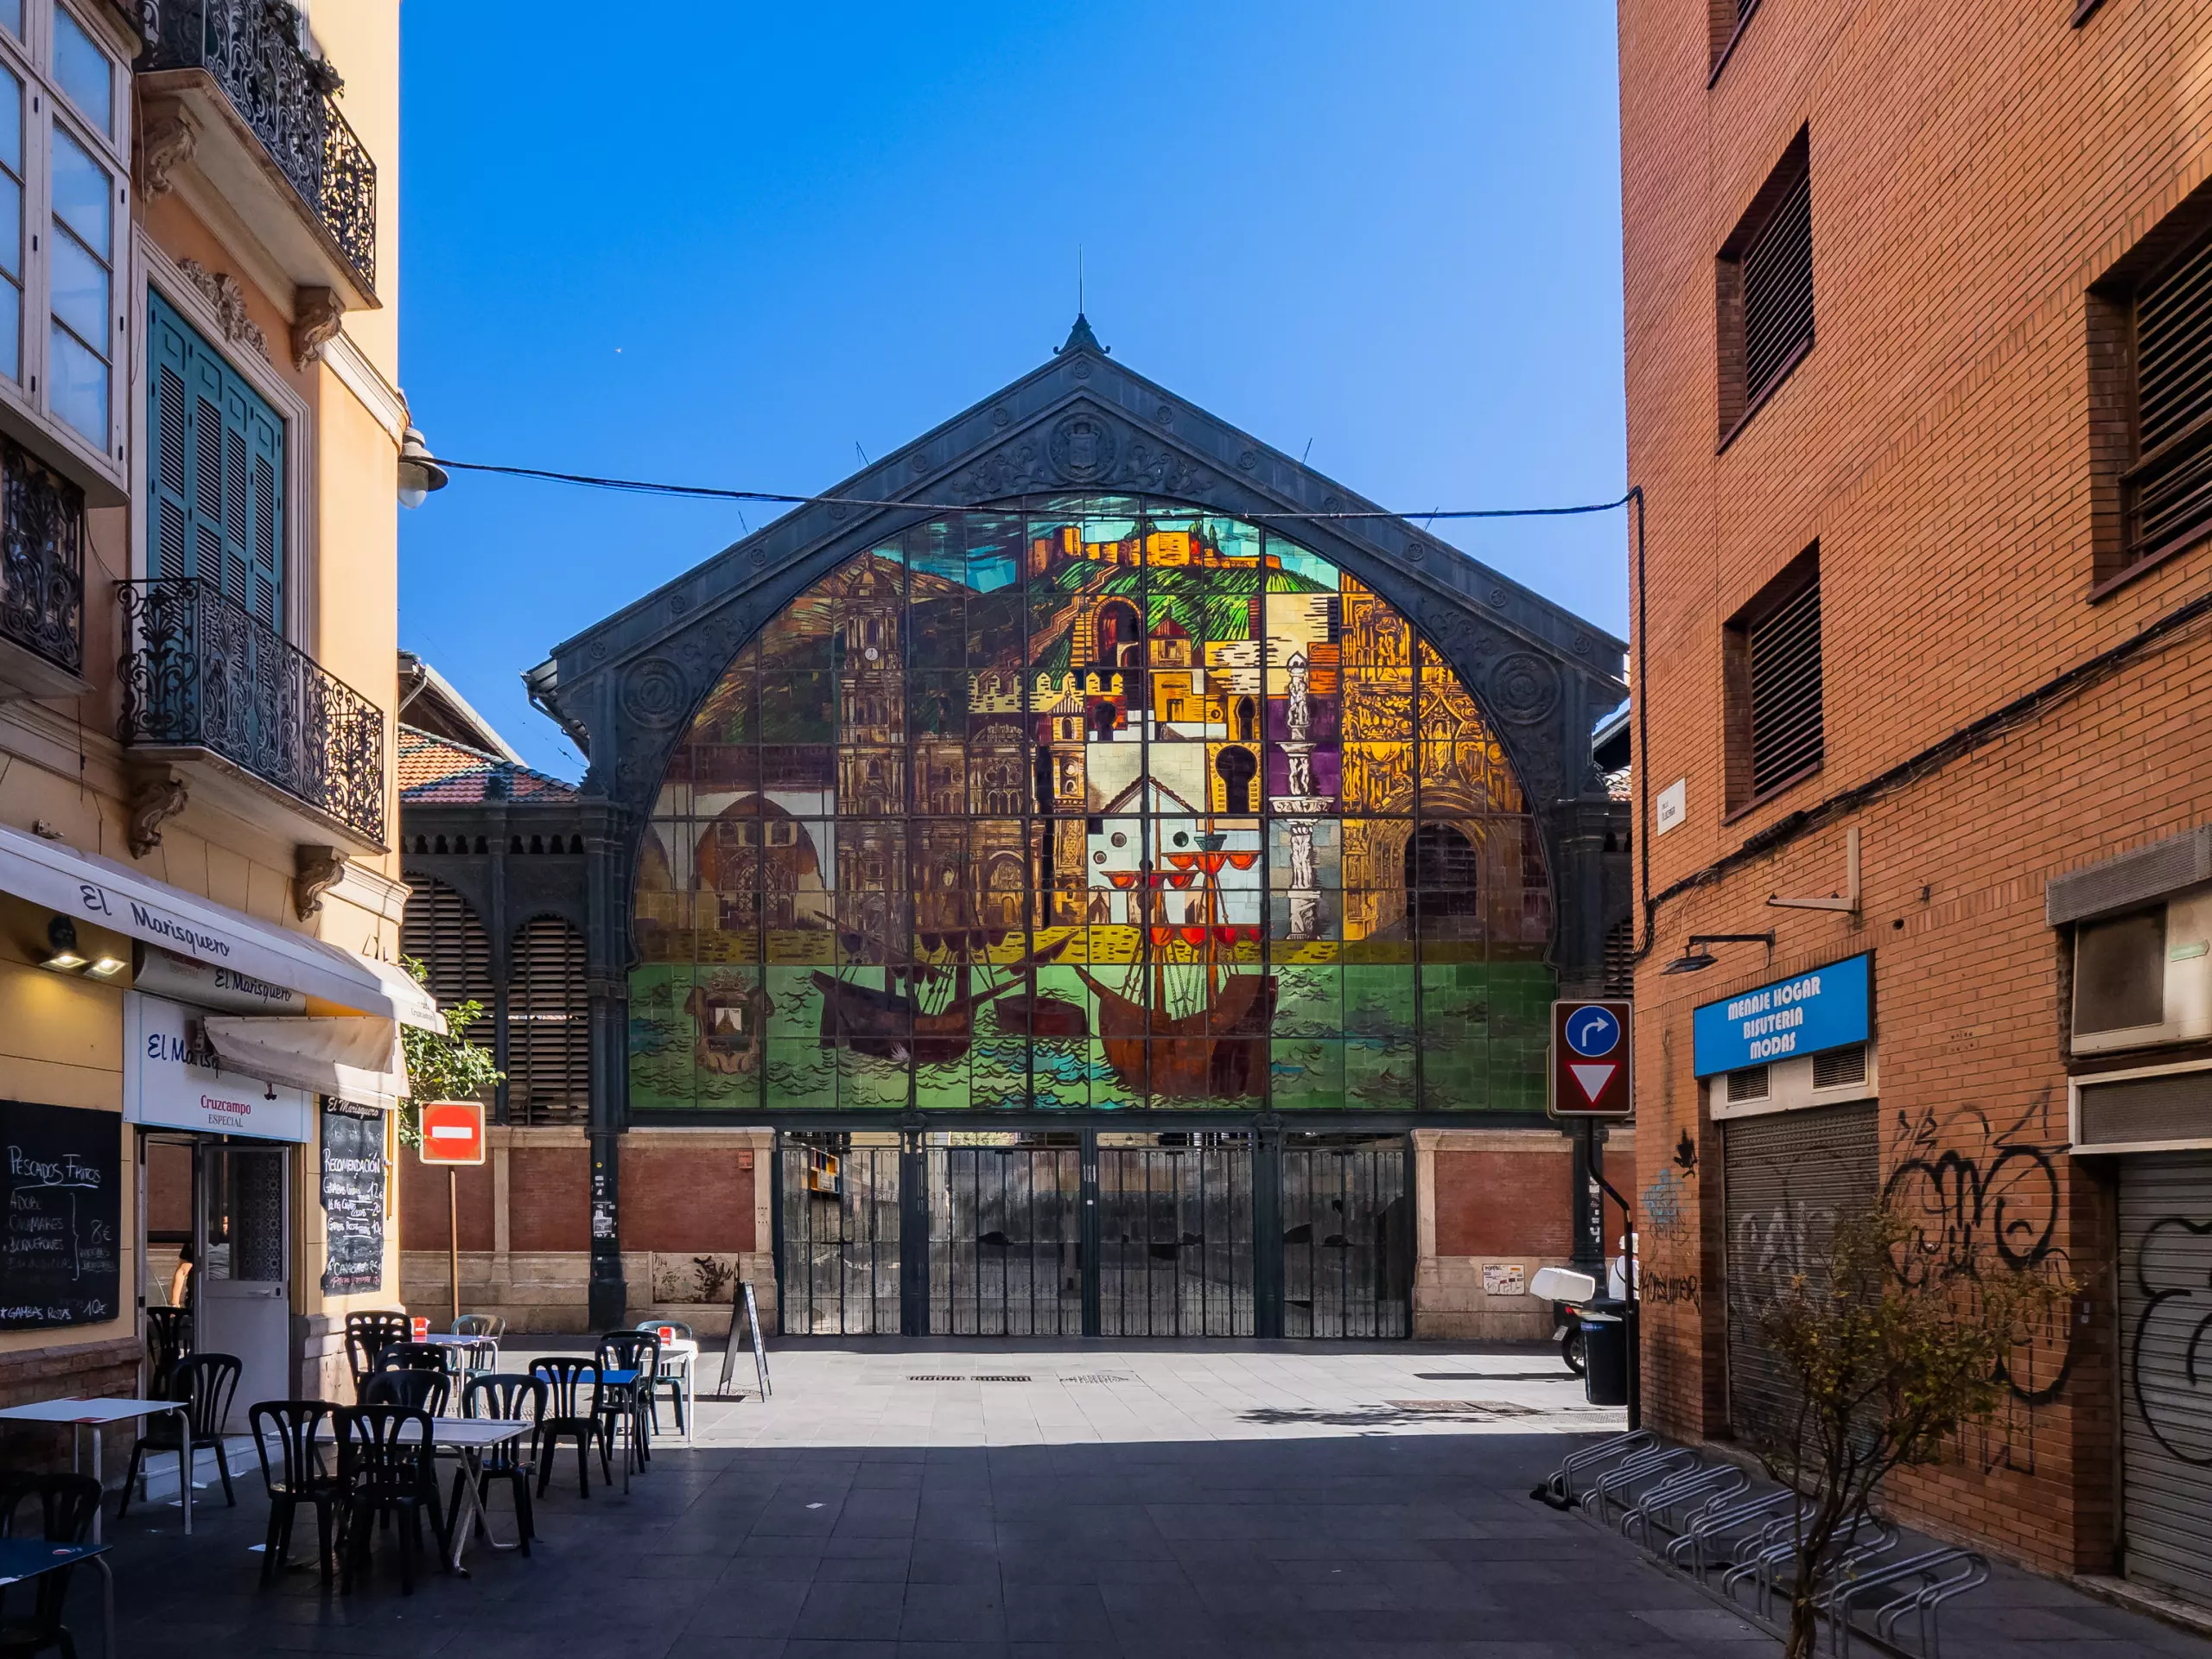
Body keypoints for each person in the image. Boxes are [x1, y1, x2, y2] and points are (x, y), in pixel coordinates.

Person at [168, 1242, 194, 1310]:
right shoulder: (197, 1243)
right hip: (197, 1300)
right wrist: (175, 1304)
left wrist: (174, 1304)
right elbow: (182, 1272)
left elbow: (181, 1272)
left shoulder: (197, 1243)